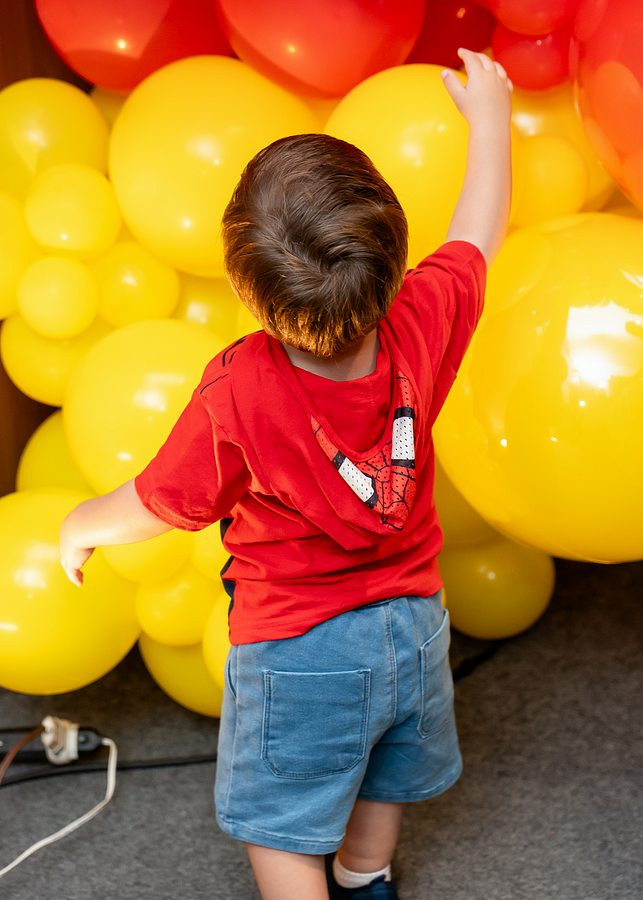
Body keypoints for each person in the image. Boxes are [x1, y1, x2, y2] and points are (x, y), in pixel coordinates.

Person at [60, 48, 512, 900]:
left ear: (248, 290)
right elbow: (476, 231)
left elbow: (162, 502)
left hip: (298, 650)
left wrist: (82, 523)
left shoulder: (240, 387)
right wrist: (489, 122)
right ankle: (366, 878)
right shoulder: (423, 317)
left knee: (278, 827)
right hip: (415, 626)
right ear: (391, 259)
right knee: (383, 774)